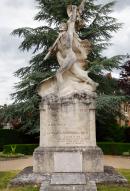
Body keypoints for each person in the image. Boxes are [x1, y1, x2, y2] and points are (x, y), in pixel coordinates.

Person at [44, 4, 98, 89]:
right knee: (77, 73)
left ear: (65, 29)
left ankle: (62, 91)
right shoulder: (58, 40)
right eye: (59, 28)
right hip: (65, 58)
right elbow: (56, 51)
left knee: (58, 73)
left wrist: (74, 10)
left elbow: (72, 22)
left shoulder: (68, 35)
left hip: (70, 56)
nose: (60, 29)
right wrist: (52, 49)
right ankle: (92, 83)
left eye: (62, 27)